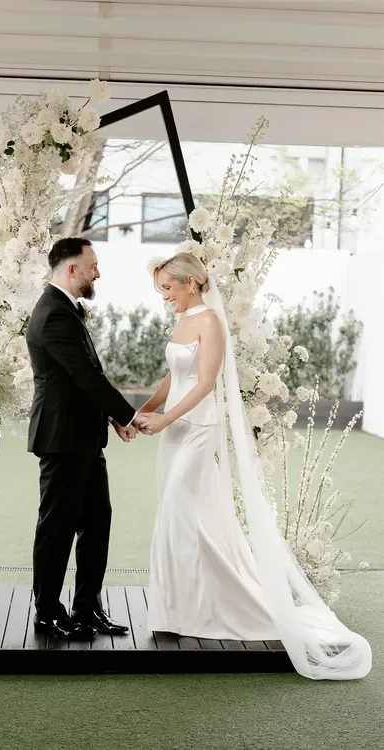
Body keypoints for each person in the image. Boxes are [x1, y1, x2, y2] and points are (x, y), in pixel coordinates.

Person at [138, 252, 372, 681]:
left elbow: (205, 383)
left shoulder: (209, 321)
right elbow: (173, 376)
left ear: (191, 283)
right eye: (161, 290)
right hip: (171, 428)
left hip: (194, 427)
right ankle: (183, 607)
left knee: (178, 510)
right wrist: (142, 412)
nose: (164, 296)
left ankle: (208, 608)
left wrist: (165, 418)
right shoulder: (184, 317)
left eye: (168, 288)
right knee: (192, 515)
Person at [26, 237, 147, 641]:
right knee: (57, 528)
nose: (98, 272)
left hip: (83, 437)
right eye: (93, 264)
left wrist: (111, 418)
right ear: (71, 268)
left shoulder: (65, 310)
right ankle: (47, 612)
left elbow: (84, 381)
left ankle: (88, 607)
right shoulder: (55, 315)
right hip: (62, 438)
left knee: (97, 522)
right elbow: (86, 377)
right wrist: (129, 414)